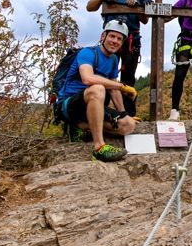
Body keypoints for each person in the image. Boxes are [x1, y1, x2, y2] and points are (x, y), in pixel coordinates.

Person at [56, 20, 139, 162]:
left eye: (119, 39)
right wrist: (121, 86)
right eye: (112, 36)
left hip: (92, 106)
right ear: (103, 36)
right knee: (98, 88)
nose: (115, 41)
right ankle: (99, 148)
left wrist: (124, 114)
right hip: (69, 105)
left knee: (128, 125)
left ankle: (81, 127)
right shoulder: (88, 53)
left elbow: (113, 89)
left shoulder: (113, 60)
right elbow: (87, 79)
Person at [86, 0, 151, 117]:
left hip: (131, 40)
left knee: (128, 78)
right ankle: (102, 113)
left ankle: (128, 114)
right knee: (104, 74)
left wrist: (138, 7)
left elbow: (145, 20)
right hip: (111, 38)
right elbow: (90, 7)